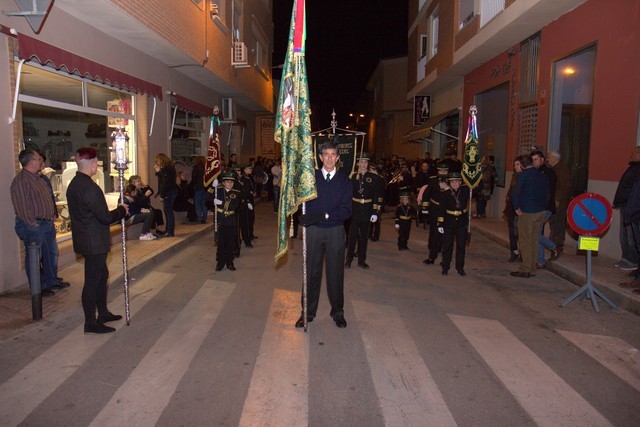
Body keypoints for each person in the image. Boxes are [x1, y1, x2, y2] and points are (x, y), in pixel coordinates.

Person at [66, 147, 128, 334]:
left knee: (102, 277)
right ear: (93, 164)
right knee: (92, 282)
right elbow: (105, 218)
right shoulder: (90, 188)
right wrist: (122, 210)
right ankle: (90, 323)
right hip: (94, 242)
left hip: (86, 239)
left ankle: (103, 312)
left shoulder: (74, 184)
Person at [295, 141, 352, 329]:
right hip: (314, 231)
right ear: (320, 157)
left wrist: (325, 216)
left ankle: (338, 312)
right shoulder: (311, 179)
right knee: (311, 271)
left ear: (337, 157)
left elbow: (346, 210)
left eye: (333, 154)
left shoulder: (344, 180)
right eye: (325, 154)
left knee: (335, 273)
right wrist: (305, 217)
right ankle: (307, 312)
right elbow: (306, 206)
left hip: (335, 231)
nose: (329, 158)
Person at [10, 149, 66, 297]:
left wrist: (52, 215)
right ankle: (37, 288)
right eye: (38, 159)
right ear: (31, 161)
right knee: (35, 257)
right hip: (35, 226)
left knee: (51, 253)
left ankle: (51, 281)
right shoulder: (22, 181)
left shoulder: (37, 178)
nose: (41, 161)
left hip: (46, 223)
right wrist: (32, 223)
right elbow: (21, 206)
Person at [510, 154, 549, 278]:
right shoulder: (542, 176)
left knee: (525, 240)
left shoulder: (524, 176)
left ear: (522, 164)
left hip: (528, 212)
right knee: (534, 240)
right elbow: (547, 193)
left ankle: (525, 268)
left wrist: (517, 208)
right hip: (540, 211)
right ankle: (532, 267)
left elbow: (515, 193)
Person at [345, 152, 382, 269]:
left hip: (367, 209)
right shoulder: (352, 177)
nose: (363, 164)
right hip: (355, 209)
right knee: (352, 236)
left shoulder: (374, 177)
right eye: (361, 162)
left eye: (365, 162)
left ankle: (361, 260)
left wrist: (375, 212)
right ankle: (348, 260)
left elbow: (377, 195)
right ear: (357, 163)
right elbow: (347, 194)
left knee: (364, 237)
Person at [612, 146, 640, 271]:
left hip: (631, 207)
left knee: (631, 237)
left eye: (634, 153)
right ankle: (626, 258)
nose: (631, 155)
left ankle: (632, 261)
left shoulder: (637, 170)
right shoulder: (632, 168)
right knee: (623, 235)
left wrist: (629, 206)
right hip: (624, 205)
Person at [531, 150, 558, 268]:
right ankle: (540, 261)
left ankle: (555, 247)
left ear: (542, 159)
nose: (534, 162)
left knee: (535, 232)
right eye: (532, 160)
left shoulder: (547, 172)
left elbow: (547, 191)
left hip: (545, 207)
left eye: (536, 159)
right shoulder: (536, 172)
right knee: (537, 231)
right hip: (538, 207)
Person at [441, 172, 471, 276]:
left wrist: (474, 175)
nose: (454, 184)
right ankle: (445, 267)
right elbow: (442, 209)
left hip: (462, 222)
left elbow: (479, 188)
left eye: (456, 181)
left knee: (461, 246)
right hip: (449, 222)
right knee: (447, 245)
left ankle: (460, 268)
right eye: (452, 182)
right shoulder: (445, 193)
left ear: (460, 182)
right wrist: (440, 223)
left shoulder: (466, 191)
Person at [214, 171, 241, 271]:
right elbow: (208, 198)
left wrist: (220, 203)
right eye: (228, 182)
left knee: (230, 243)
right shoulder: (218, 191)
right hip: (221, 220)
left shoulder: (236, 193)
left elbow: (234, 206)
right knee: (221, 243)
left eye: (232, 182)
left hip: (231, 220)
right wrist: (213, 187)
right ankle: (220, 263)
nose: (230, 184)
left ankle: (230, 262)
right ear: (223, 183)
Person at [423, 162, 449, 265]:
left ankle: (445, 256)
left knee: (446, 234)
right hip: (435, 209)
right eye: (441, 171)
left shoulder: (451, 182)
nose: (443, 172)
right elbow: (427, 193)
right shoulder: (433, 180)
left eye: (445, 171)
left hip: (447, 211)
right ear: (438, 171)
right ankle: (432, 254)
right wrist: (425, 207)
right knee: (434, 231)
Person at [547, 150, 571, 255]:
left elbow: (564, 187)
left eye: (549, 157)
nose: (548, 159)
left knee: (558, 224)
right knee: (554, 223)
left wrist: (557, 200)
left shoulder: (562, 170)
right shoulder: (555, 169)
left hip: (559, 203)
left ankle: (557, 246)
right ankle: (553, 245)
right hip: (554, 202)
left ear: (555, 158)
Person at [504, 156, 524, 262]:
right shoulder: (514, 176)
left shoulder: (524, 177)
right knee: (512, 231)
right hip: (512, 207)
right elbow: (511, 191)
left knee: (520, 232)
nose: (515, 167)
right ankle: (514, 251)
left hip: (520, 208)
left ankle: (522, 253)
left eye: (517, 164)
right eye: (514, 164)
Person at [154, 153, 177, 237]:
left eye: (157, 161)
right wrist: (159, 172)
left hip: (168, 192)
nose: (156, 163)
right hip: (171, 191)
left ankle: (170, 231)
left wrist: (162, 195)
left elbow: (164, 183)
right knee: (167, 211)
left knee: (168, 212)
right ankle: (168, 230)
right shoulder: (170, 168)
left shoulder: (167, 169)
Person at [239, 164, 256, 247]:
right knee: (245, 222)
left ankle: (250, 235)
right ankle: (247, 239)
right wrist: (248, 201)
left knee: (251, 219)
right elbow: (244, 192)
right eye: (249, 168)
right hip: (245, 202)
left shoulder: (248, 177)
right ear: (245, 170)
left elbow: (250, 189)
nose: (251, 170)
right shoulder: (243, 179)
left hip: (249, 201)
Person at [191, 156, 207, 224]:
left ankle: (199, 218)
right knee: (204, 204)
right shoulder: (206, 168)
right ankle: (204, 217)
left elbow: (194, 178)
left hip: (198, 187)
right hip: (205, 188)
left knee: (198, 204)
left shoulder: (196, 168)